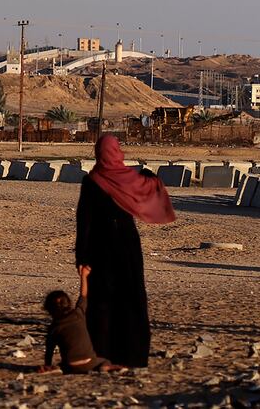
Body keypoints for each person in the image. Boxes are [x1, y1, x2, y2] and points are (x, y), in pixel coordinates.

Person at [76, 134, 176, 368]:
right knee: (131, 298)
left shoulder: (92, 181)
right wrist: (150, 177)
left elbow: (85, 222)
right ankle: (133, 355)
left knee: (101, 301)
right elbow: (152, 183)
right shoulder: (131, 179)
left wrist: (81, 258)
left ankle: (101, 354)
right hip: (127, 245)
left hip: (100, 247)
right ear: (117, 152)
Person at [39, 266, 121, 374]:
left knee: (61, 365)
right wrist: (84, 275)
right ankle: (106, 367)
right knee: (105, 360)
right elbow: (83, 295)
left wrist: (47, 365)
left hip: (69, 366)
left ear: (48, 309)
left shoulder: (53, 328)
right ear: (68, 303)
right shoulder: (78, 314)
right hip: (90, 363)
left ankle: (57, 369)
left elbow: (49, 352)